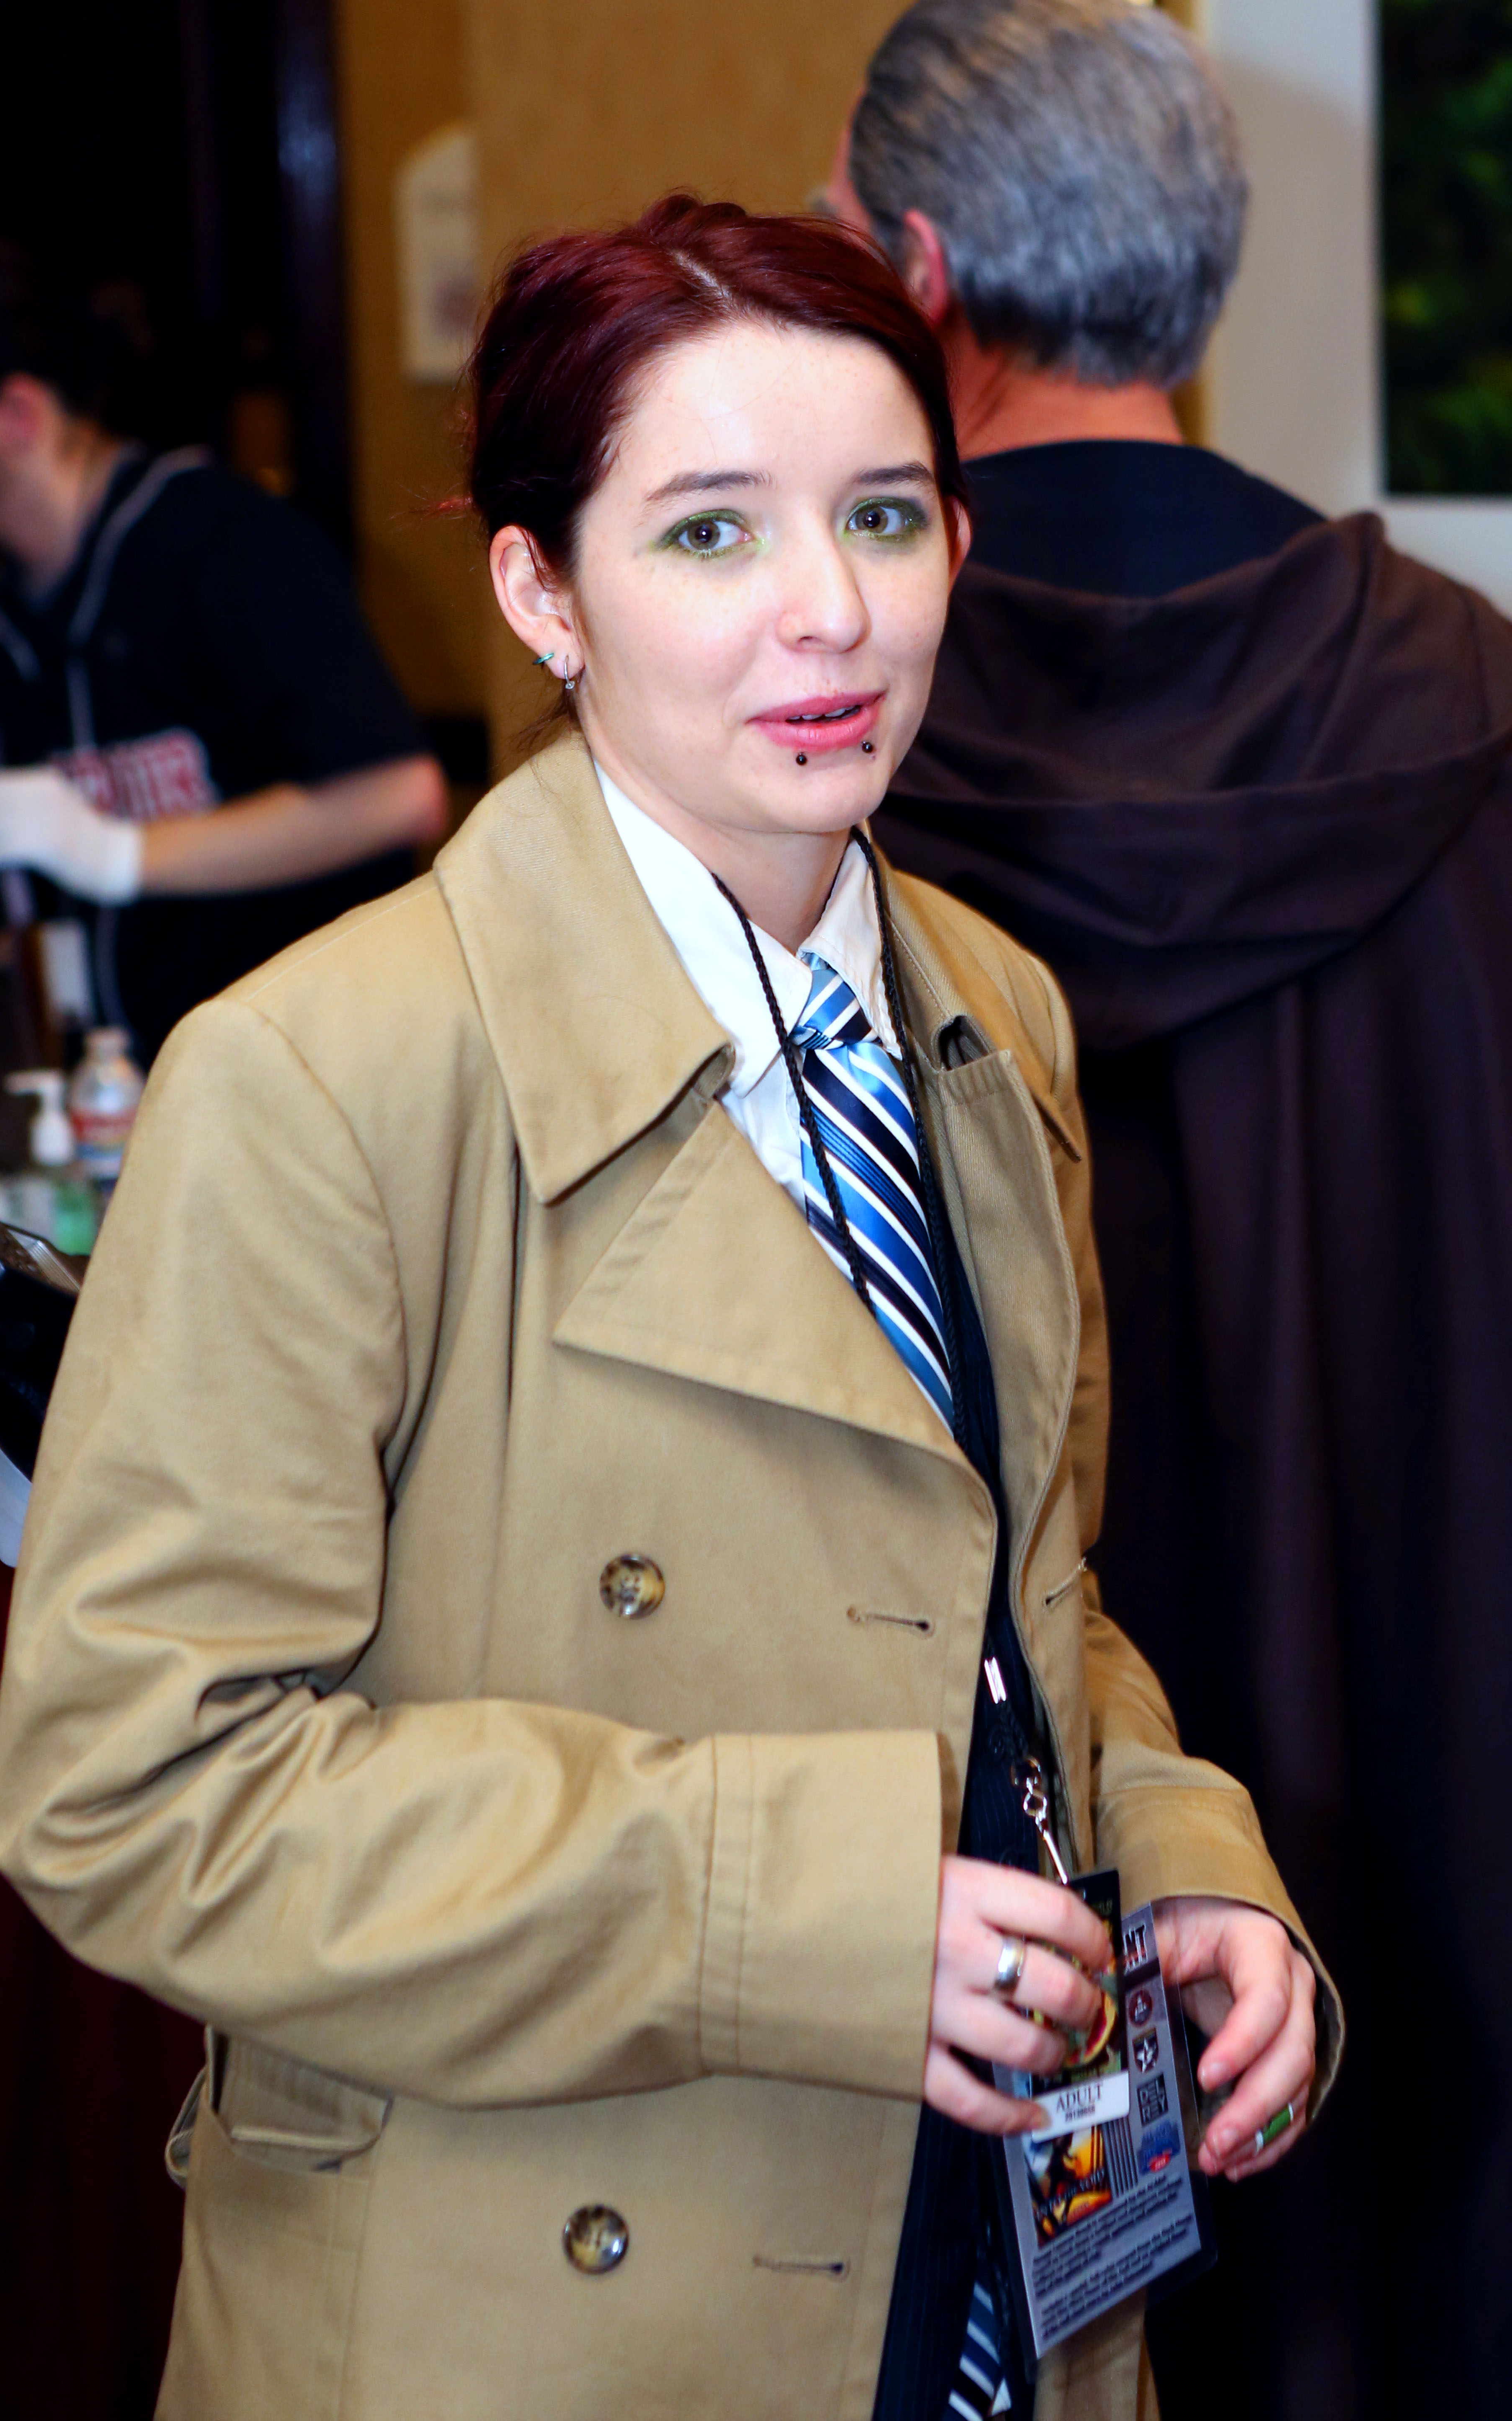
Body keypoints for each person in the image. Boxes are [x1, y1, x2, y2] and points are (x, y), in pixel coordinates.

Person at [0, 197, 1334, 2421]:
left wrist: (1187, 1857)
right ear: (543, 591)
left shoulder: (991, 1010)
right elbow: (134, 1788)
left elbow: (1025, 1596)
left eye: (883, 516)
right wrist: (789, 1912)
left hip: (986, 2239)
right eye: (710, 532)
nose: (830, 612)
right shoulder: (328, 1076)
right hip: (529, 2287)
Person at [831, 6, 1512, 2417]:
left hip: (980, 1776)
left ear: (917, 272)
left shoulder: (818, 740)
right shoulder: (1469, 701)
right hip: (1435, 1694)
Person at [0, 236, 446, 1063]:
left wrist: (119, 855)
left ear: (15, 416)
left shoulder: (229, 545)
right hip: (125, 1095)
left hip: (319, 1075)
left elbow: (402, 795)